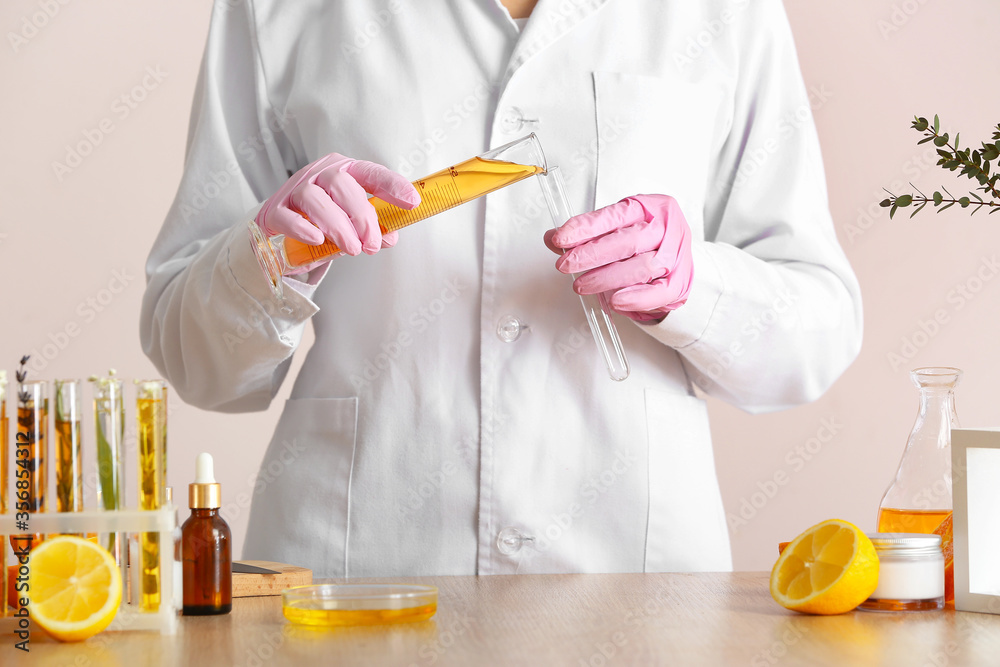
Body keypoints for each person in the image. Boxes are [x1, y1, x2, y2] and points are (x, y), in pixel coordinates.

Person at [141, 0, 862, 578]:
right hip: (365, 566)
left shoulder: (731, 12)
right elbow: (194, 359)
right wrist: (267, 259)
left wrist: (695, 287)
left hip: (630, 575)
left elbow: (819, 333)